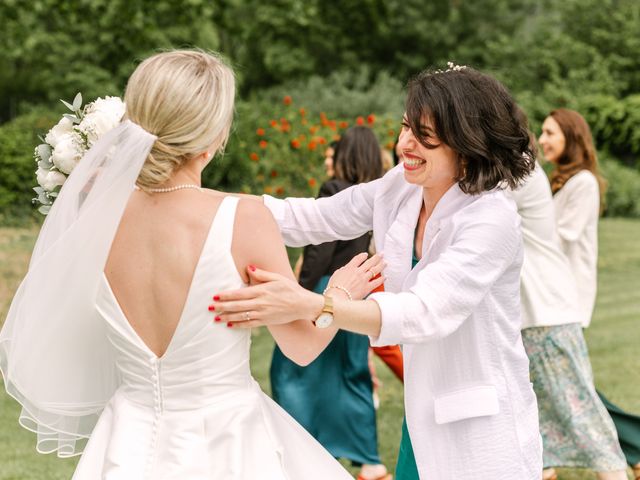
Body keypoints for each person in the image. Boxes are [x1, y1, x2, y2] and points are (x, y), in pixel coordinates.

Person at [0, 50, 384, 479]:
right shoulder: (244, 218)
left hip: (127, 442)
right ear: (215, 133)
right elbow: (301, 348)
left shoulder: (97, 218)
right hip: (227, 442)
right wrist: (340, 294)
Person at [211, 65, 543, 480]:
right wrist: (197, 198)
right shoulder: (400, 188)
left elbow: (421, 312)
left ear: (467, 143)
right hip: (421, 420)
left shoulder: (492, 219)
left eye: (425, 137)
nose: (405, 144)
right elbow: (309, 217)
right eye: (405, 127)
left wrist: (317, 304)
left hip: (481, 432)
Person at [271, 126, 389, 480]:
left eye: (332, 150)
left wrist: (300, 294)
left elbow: (318, 252)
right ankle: (370, 461)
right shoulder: (375, 198)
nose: (327, 157)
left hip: (325, 292)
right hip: (358, 296)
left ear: (346, 155)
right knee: (353, 375)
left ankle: (303, 450)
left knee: (291, 371)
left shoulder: (333, 190)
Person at [509, 163, 628, 480]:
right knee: (537, 416)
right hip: (530, 315)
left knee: (581, 411)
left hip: (547, 314)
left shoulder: (519, 170)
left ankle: (617, 471)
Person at [539, 109, 640, 480]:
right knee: (562, 388)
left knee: (572, 390)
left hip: (564, 298)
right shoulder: (558, 181)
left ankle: (632, 446)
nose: (542, 139)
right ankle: (543, 462)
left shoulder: (582, 182)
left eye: (550, 132)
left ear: (571, 136)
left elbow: (561, 236)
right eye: (542, 132)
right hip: (547, 297)